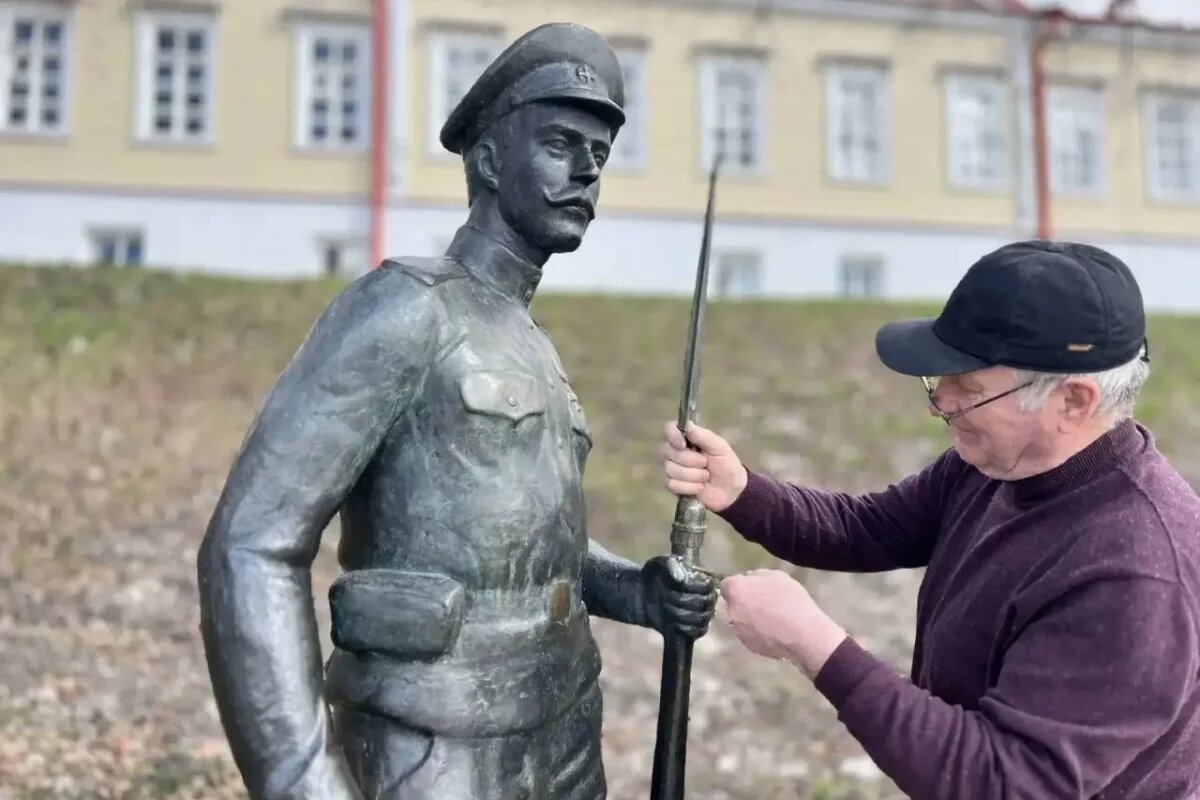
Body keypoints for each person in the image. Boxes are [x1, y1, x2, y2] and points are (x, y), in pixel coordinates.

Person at [197, 22, 716, 800]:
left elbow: (527, 550)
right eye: (559, 144)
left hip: (564, 739)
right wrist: (302, 781)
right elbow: (251, 545)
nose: (585, 172)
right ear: (486, 159)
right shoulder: (404, 310)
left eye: (599, 156)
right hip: (432, 751)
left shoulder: (530, 341)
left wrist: (636, 592)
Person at [662, 241, 1200, 799]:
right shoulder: (1000, 463)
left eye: (967, 388)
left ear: (1073, 401)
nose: (938, 402)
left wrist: (815, 645)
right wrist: (741, 491)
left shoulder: (1136, 574)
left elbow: (1002, 783)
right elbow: (872, 529)